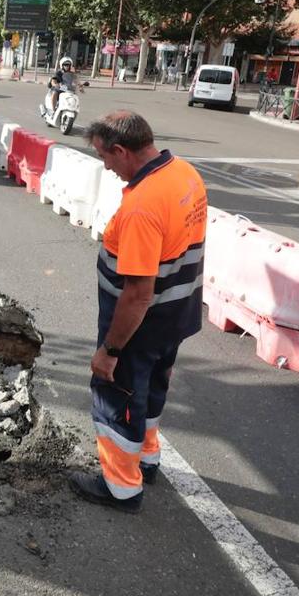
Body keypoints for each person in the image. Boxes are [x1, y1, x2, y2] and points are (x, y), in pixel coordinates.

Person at [71, 111, 208, 513]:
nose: (106, 167)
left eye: (105, 157)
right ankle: (147, 460)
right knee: (151, 390)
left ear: (121, 150)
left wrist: (109, 351)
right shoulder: (183, 174)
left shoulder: (142, 208)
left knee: (117, 397)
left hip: (139, 326)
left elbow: (136, 294)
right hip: (175, 315)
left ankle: (120, 487)